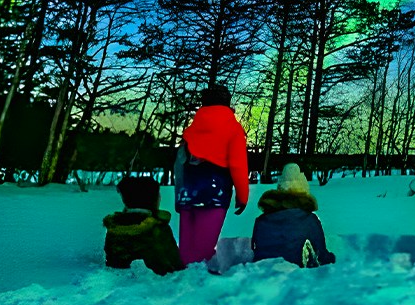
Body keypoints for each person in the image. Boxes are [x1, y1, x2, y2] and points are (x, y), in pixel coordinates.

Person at [174, 84, 250, 266]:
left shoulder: (192, 129)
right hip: (216, 191)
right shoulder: (233, 128)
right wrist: (242, 196)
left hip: (187, 189)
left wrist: (180, 194)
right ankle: (199, 283)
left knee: (187, 245)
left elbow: (180, 163)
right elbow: (238, 165)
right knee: (204, 246)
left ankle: (182, 278)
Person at [251, 162, 336, 267]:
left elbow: (256, 248)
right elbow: (320, 255)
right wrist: (332, 258)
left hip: (262, 270)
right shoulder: (309, 220)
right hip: (294, 273)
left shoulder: (262, 220)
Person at [103, 174, 183, 275]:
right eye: (159, 194)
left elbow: (112, 264)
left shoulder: (114, 228)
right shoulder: (157, 228)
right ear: (153, 199)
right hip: (155, 285)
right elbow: (175, 266)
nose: (161, 198)